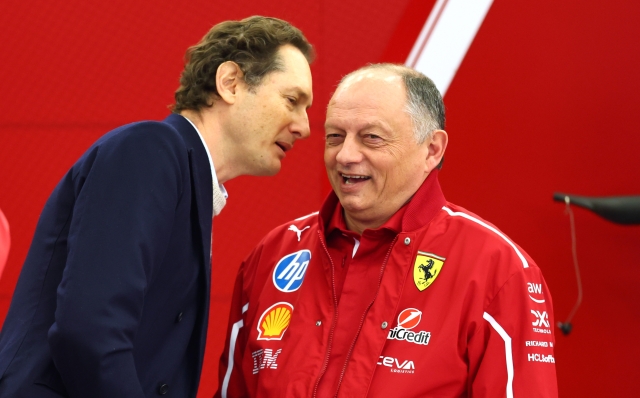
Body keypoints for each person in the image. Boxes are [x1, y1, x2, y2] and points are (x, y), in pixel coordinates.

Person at [0, 16, 313, 398]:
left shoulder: (180, 171)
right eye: (292, 100)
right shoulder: (151, 150)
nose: (304, 126)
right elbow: (89, 330)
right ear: (230, 83)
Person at [217, 64, 558, 397]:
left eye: (372, 138)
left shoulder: (498, 270)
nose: (345, 155)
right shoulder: (274, 254)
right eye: (335, 137)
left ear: (432, 149)